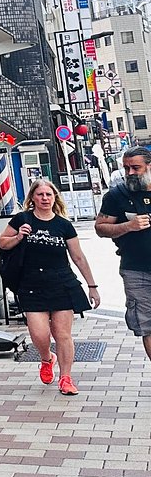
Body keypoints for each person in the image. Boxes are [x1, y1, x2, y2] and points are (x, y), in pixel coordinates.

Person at [0, 178, 100, 395]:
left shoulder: (63, 225)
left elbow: (78, 257)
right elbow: (2, 242)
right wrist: (18, 236)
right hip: (31, 284)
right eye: (40, 195)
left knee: (63, 334)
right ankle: (47, 358)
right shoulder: (22, 219)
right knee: (40, 334)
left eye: (49, 195)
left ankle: (66, 378)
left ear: (55, 198)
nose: (45, 198)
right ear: (32, 198)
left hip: (61, 282)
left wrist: (92, 285)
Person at [95, 146, 151, 361]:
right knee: (147, 325)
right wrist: (128, 226)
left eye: (135, 168)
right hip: (136, 270)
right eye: (126, 168)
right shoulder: (117, 195)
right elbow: (100, 228)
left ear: (149, 166)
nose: (130, 173)